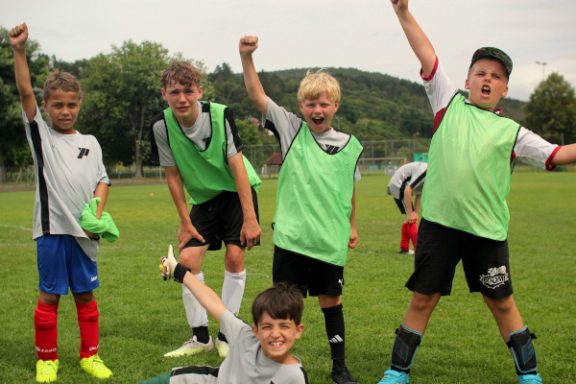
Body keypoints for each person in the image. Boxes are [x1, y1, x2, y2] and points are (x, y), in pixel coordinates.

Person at [378, 1, 576, 383]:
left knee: (502, 304)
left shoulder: (513, 132)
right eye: (480, 72)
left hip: (486, 232)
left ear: (504, 88)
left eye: (497, 76)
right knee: (423, 298)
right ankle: (396, 372)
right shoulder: (448, 104)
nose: (487, 78)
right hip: (439, 226)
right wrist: (403, 13)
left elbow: (557, 154)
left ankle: (529, 375)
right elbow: (427, 54)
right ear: (467, 80)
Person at [239, 36, 363, 384]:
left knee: (331, 301)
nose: (317, 110)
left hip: (329, 240)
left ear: (335, 105)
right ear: (300, 106)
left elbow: (349, 189)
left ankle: (339, 366)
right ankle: (276, 363)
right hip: (293, 239)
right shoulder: (291, 129)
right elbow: (256, 95)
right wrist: (246, 57)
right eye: (310, 104)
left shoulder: (352, 146)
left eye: (323, 103)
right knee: (282, 307)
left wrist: (352, 225)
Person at [9, 23, 117, 382]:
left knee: (86, 297)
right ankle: (47, 360)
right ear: (46, 107)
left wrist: (96, 215)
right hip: (52, 231)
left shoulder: (92, 141)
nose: (65, 111)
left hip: (84, 236)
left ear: (79, 104)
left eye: (71, 104)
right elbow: (24, 90)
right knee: (50, 298)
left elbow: (103, 180)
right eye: (58, 105)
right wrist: (20, 51)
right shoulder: (40, 135)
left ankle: (90, 357)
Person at [150, 60, 262, 359]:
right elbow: (171, 173)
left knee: (235, 254)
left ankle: (228, 333)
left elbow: (237, 165)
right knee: (186, 258)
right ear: (164, 94)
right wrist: (184, 220)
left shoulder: (220, 114)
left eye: (188, 90)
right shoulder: (161, 126)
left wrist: (250, 218)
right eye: (175, 92)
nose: (182, 98)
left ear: (199, 90)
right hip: (203, 198)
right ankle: (200, 338)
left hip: (236, 193)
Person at [141, 245, 308, 384]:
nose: (275, 334)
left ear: (298, 330)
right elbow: (211, 301)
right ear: (255, 330)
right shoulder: (246, 336)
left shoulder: (295, 377)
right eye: (267, 326)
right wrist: (177, 269)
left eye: (284, 326)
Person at [386, 161, 427, 254]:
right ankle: (420, 250)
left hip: (403, 187)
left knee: (411, 219)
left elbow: (419, 193)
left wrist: (415, 213)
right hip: (399, 186)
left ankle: (404, 248)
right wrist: (409, 213)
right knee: (410, 220)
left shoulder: (431, 175)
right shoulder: (425, 171)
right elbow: (408, 190)